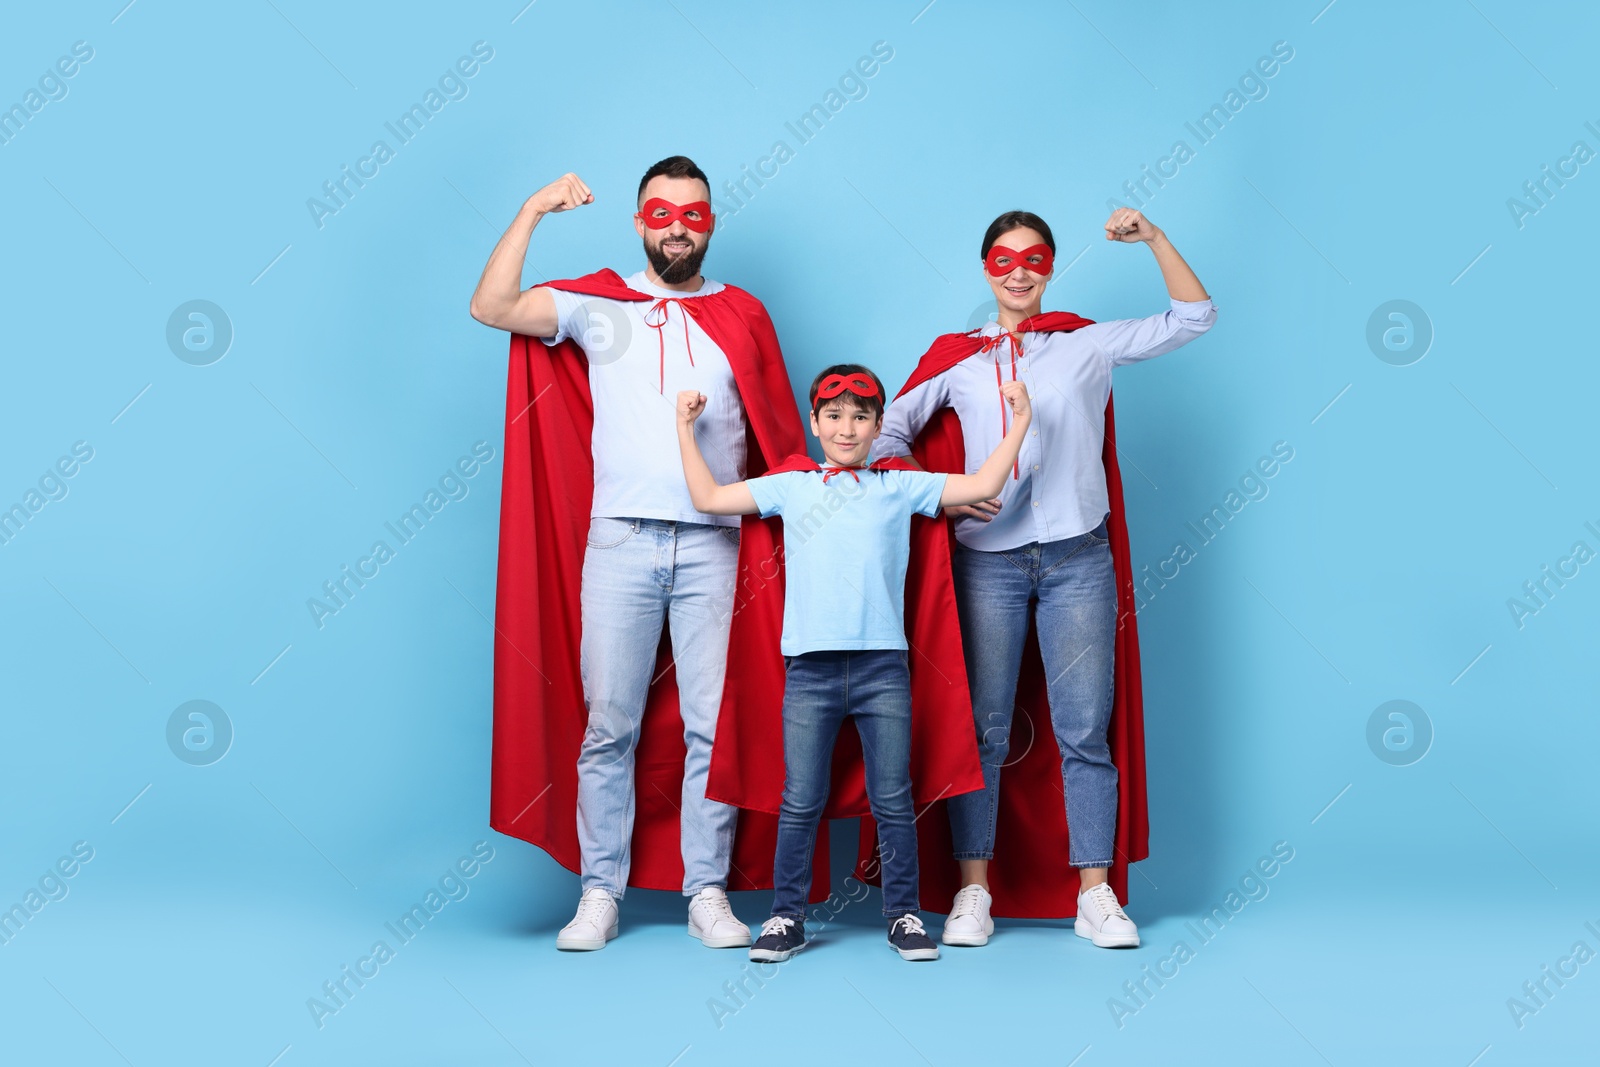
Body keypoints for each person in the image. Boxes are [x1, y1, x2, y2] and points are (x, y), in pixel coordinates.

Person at [468, 156, 806, 951]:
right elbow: (491, 305)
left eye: (692, 213)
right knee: (608, 724)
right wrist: (533, 208)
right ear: (639, 222)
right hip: (619, 540)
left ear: (711, 224)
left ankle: (707, 890)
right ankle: (599, 890)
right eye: (661, 213)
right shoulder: (598, 306)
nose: (677, 225)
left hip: (716, 546)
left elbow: (780, 439)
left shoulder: (744, 314)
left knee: (710, 727)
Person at [871, 207, 1217, 948]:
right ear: (986, 269)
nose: (1019, 271)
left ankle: (1095, 894)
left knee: (1084, 729)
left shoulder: (1086, 344)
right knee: (986, 731)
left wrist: (1154, 237)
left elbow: (1194, 316)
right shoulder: (956, 359)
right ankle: (973, 889)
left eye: (1033, 258)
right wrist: (947, 488)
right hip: (986, 561)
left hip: (1077, 558)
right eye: (1003, 259)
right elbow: (887, 437)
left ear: (1050, 267)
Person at [676, 364, 1033, 962]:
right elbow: (708, 498)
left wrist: (1020, 419)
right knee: (801, 799)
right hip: (810, 671)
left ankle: (904, 917)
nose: (848, 429)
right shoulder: (792, 487)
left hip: (883, 671)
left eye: (861, 417)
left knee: (894, 797)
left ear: (878, 425)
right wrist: (685, 429)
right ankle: (786, 917)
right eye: (834, 417)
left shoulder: (900, 488)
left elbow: (980, 484)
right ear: (816, 423)